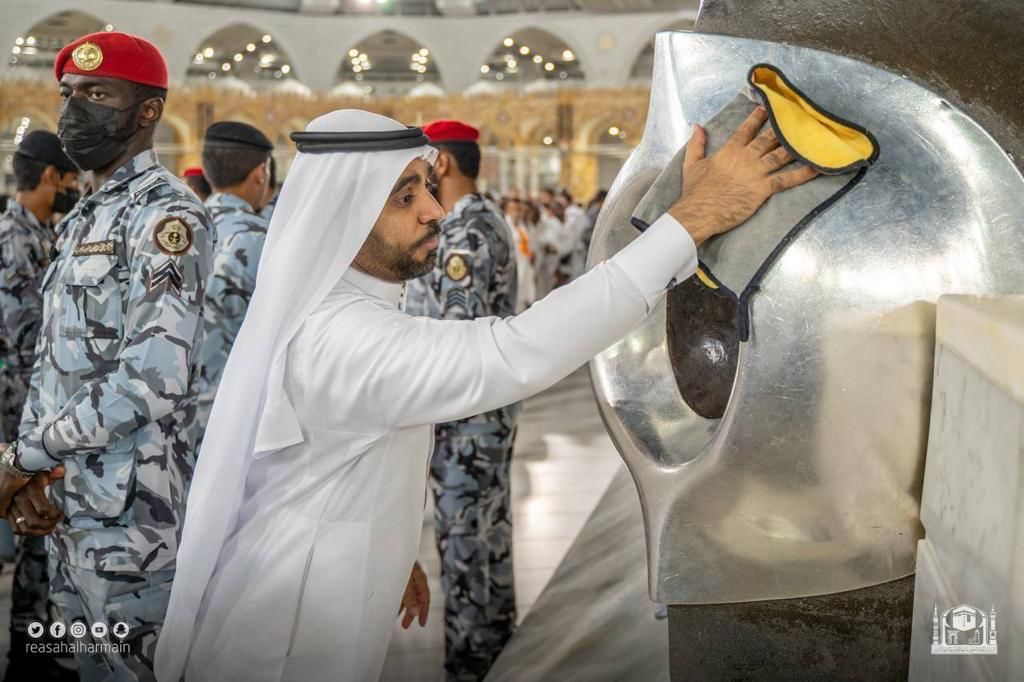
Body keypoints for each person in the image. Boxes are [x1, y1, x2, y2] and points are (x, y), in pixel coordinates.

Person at [156, 107, 816, 682]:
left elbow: (332, 463)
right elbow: (515, 352)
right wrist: (690, 220)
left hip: (316, 598)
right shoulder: (341, 338)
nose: (435, 209)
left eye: (427, 187)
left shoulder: (351, 307)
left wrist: (391, 551)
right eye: (405, 196)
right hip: (278, 640)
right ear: (344, 215)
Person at [0, 31, 213, 681]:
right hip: (70, 506)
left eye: (97, 94)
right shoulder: (85, 217)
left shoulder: (167, 218)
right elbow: (51, 360)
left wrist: (25, 456)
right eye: (68, 94)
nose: (74, 110)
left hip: (133, 521)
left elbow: (153, 377)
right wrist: (34, 470)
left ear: (148, 111)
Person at [404, 119, 519, 681]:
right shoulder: (483, 219)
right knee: (486, 540)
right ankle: (497, 653)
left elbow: (457, 334)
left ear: (442, 163)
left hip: (465, 422)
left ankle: (472, 665)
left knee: (466, 547)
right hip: (482, 417)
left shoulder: (465, 233)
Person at [0, 130, 79, 682]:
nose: (73, 188)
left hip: (38, 410)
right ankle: (27, 661)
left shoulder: (40, 232)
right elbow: (26, 338)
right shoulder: (14, 239)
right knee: (29, 533)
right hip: (20, 409)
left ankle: (37, 648)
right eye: (70, 179)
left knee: (39, 535)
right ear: (51, 176)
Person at [196, 121, 273, 437]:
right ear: (260, 172)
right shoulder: (265, 239)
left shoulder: (175, 228)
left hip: (174, 419)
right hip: (234, 419)